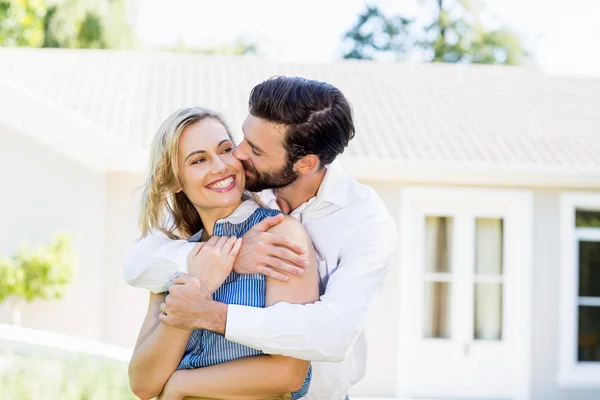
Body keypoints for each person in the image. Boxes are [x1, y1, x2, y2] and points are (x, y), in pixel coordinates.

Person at [124, 76, 398, 400]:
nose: (237, 155)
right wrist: (218, 257)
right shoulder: (227, 197)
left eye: (252, 149)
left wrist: (208, 321)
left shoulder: (363, 222)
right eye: (240, 139)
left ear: (304, 164)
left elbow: (332, 336)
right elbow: (137, 264)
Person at [127, 106, 319, 400]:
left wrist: (182, 384)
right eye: (199, 160)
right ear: (176, 180)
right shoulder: (175, 259)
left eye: (226, 150)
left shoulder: (279, 234)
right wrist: (191, 297)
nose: (220, 166)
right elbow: (143, 383)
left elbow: (289, 373)